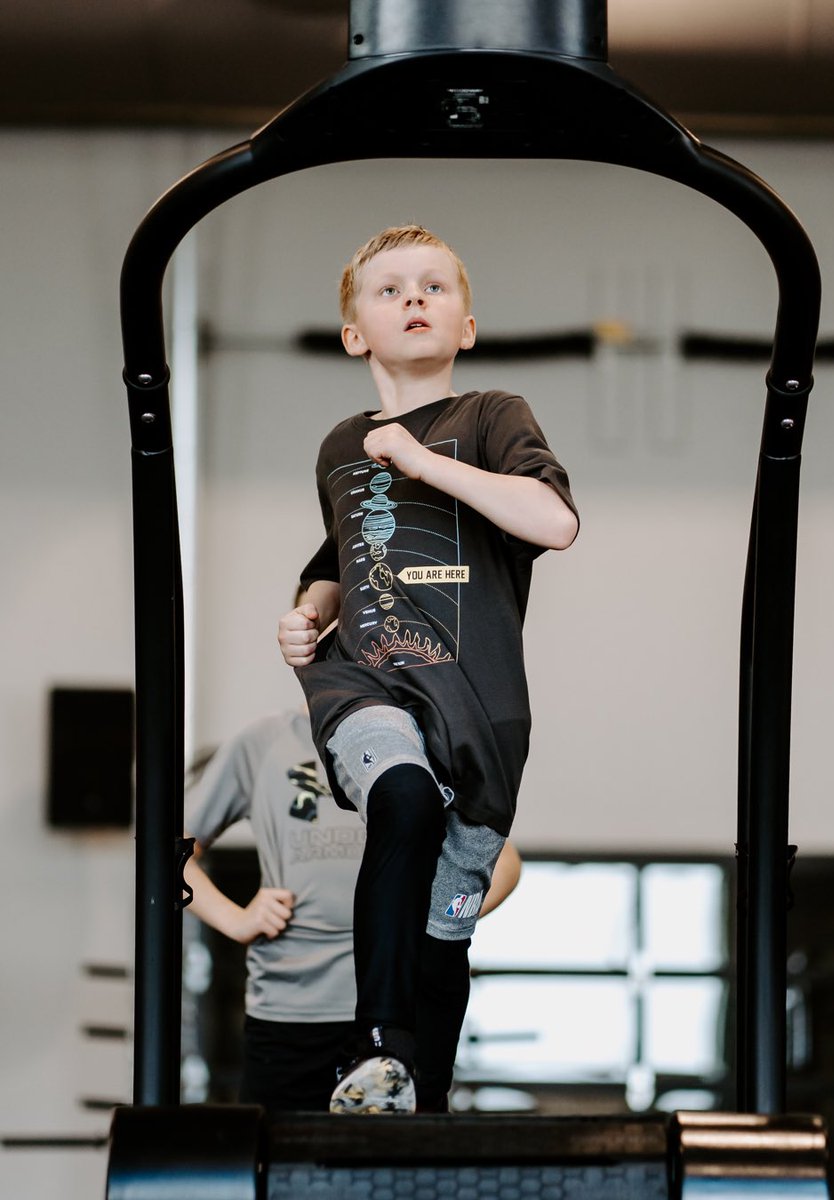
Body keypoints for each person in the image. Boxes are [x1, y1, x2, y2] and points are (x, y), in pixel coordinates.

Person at [278, 224, 578, 1114]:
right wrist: (307, 615)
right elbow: (335, 556)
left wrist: (419, 461)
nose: (414, 299)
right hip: (366, 681)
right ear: (355, 333)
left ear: (468, 325)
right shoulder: (340, 444)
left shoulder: (491, 415)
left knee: (444, 937)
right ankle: (373, 1048)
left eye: (434, 288)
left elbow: (554, 521)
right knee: (400, 800)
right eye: (391, 290)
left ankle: (423, 1108)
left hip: (478, 707)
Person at [183, 689, 522, 1113]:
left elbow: (503, 862)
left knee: (396, 1171)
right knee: (281, 1168)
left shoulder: (412, 740)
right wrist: (236, 920)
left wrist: (426, 919)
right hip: (289, 1017)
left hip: (396, 1013)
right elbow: (168, 852)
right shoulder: (263, 741)